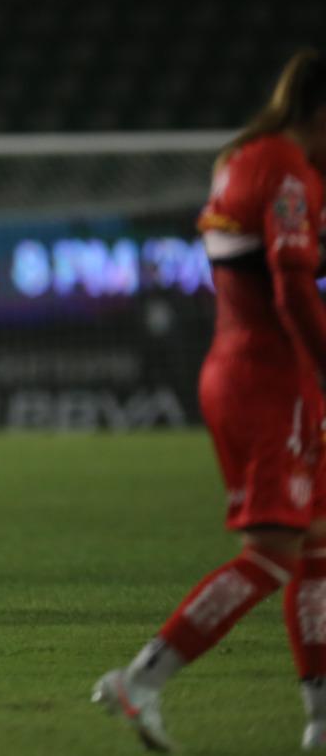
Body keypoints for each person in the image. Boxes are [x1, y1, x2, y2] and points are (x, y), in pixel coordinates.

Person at [94, 49, 326, 752]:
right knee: (273, 552)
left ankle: (320, 716)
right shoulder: (285, 164)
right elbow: (289, 283)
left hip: (243, 366)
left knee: (315, 546)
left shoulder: (244, 157)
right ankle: (142, 679)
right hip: (270, 375)